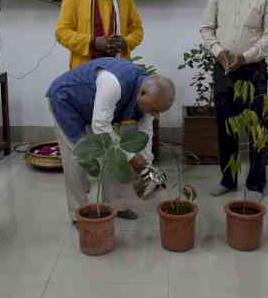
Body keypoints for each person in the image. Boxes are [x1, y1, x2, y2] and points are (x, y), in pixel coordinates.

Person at [200, 0, 268, 200]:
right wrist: (218, 52)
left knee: (256, 128)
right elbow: (206, 29)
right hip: (223, 68)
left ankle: (256, 184)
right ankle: (228, 179)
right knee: (225, 126)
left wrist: (244, 57)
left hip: (252, 70)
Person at [46, 58, 175, 222]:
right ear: (142, 93)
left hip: (95, 111)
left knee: (115, 157)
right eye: (154, 110)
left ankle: (115, 205)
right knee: (77, 159)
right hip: (66, 102)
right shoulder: (113, 83)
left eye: (159, 111)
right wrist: (132, 158)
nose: (155, 114)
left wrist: (146, 166)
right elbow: (100, 126)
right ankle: (78, 214)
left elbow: (145, 134)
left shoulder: (149, 97)